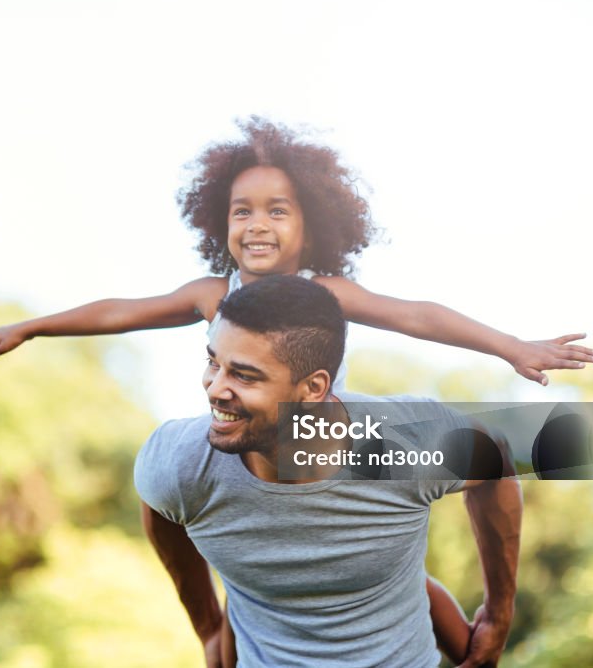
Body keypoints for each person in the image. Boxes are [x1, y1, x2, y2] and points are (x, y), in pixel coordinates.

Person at [0, 116, 593, 388]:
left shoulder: (324, 292)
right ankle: (214, 623)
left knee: (397, 533)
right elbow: (120, 311)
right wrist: (34, 327)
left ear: (311, 225)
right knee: (161, 482)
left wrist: (512, 346)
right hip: (245, 436)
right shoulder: (212, 295)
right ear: (220, 221)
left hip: (319, 441)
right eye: (242, 211)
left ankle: (467, 640)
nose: (257, 226)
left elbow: (417, 315)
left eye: (278, 211)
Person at [135, 275, 522, 667]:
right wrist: (209, 628)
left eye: (244, 375)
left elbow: (501, 456)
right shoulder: (181, 461)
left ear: (313, 388)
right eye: (212, 363)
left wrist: (499, 613)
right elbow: (158, 504)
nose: (215, 389)